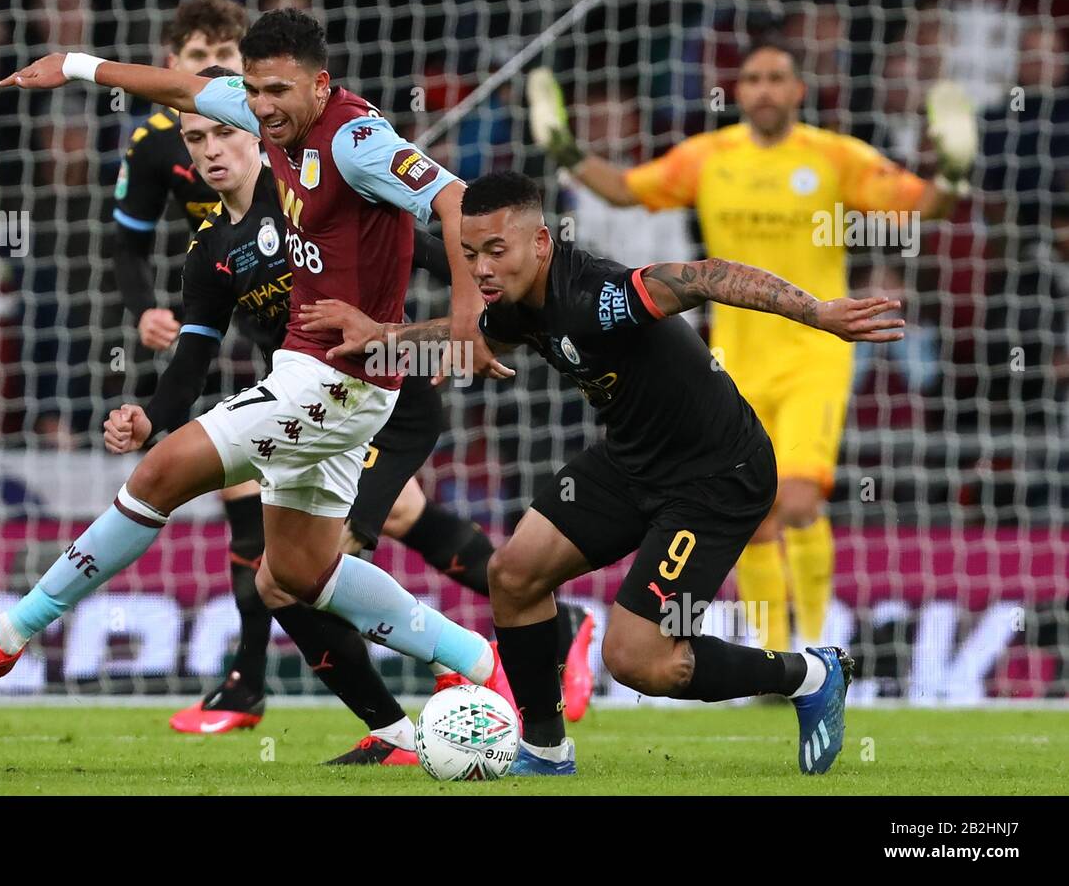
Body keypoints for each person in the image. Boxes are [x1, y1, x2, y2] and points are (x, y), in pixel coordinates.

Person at [0, 9, 511, 721]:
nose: (262, 108)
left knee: (160, 475)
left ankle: (9, 632)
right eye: (252, 93)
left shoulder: (358, 139)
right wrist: (72, 64)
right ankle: (478, 660)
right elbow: (178, 88)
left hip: (339, 379)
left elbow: (455, 198)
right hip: (319, 371)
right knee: (297, 573)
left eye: (278, 91)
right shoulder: (248, 136)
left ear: (320, 84)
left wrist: (468, 321)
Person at [303, 171, 907, 775]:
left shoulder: (597, 297)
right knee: (512, 577)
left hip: (717, 477)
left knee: (641, 660)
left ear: (540, 242)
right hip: (630, 460)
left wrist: (818, 312)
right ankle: (544, 752)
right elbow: (465, 339)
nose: (480, 269)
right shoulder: (513, 303)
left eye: (495, 250)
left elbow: (704, 276)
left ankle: (809, 674)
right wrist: (384, 338)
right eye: (468, 255)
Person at [525, 34, 971, 654]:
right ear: (739, 92)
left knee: (800, 499)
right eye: (753, 79)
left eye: (776, 78)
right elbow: (625, 188)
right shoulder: (709, 157)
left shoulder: (835, 156)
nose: (764, 89)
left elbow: (922, 207)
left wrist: (952, 168)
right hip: (732, 358)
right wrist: (565, 149)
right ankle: (776, 651)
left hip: (815, 351)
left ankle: (822, 648)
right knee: (756, 511)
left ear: (798, 91)